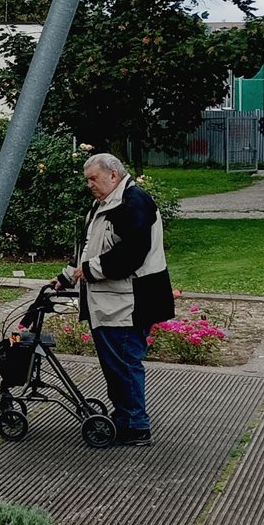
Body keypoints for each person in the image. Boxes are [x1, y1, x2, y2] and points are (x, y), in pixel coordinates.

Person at [68, 152, 174, 446]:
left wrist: (89, 270)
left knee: (124, 365)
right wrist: (70, 274)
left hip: (128, 303)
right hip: (114, 302)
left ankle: (135, 427)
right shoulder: (107, 203)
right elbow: (92, 247)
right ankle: (127, 417)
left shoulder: (133, 202)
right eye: (87, 180)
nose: (89, 185)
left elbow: (131, 254)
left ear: (113, 175)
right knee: (118, 366)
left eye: (93, 178)